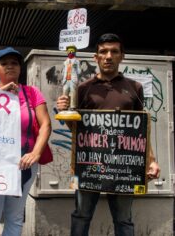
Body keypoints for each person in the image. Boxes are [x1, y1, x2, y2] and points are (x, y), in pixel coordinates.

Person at [57, 33, 161, 236]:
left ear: (122, 56)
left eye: (114, 51)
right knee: (81, 216)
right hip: (89, 165)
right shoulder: (83, 89)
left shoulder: (134, 87)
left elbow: (140, 130)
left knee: (124, 220)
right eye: (103, 52)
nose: (108, 56)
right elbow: (77, 130)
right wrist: (65, 111)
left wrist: (151, 160)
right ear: (95, 57)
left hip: (124, 166)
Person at [0, 47, 51, 236]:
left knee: (15, 217)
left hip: (24, 163)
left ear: (20, 68)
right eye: (4, 63)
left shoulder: (32, 93)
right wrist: (0, 93)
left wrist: (36, 152)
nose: (10, 66)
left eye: (15, 63)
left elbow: (45, 125)